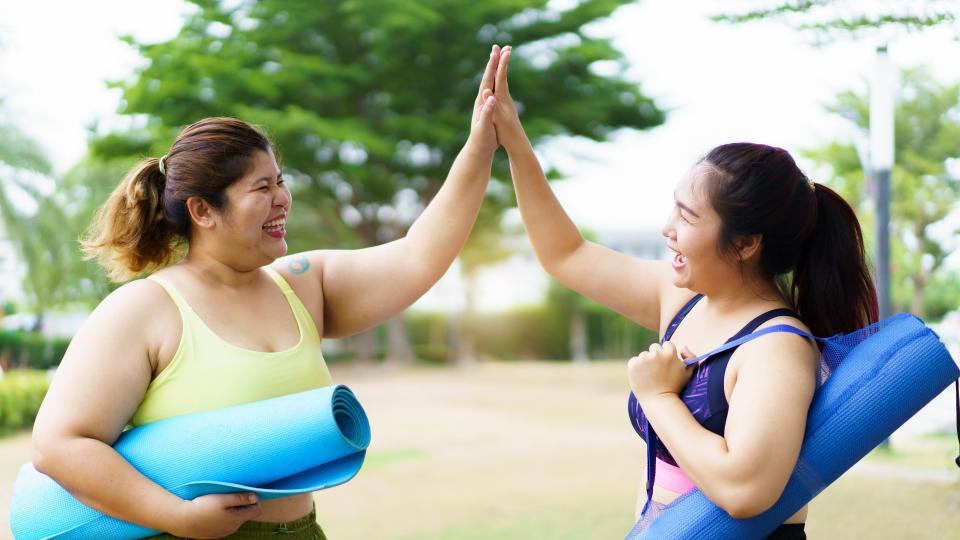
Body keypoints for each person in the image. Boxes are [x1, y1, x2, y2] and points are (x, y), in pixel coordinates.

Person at [30, 47, 504, 539]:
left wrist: (480, 145)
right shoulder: (145, 309)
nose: (283, 199)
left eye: (281, 181)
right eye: (261, 188)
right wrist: (179, 517)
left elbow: (419, 256)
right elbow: (60, 445)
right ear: (203, 211)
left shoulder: (304, 283)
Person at [486, 45, 878, 539]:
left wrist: (657, 395)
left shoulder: (777, 347)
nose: (668, 228)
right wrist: (515, 144)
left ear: (746, 243)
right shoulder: (682, 299)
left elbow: (745, 491)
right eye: (674, 208)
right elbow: (566, 255)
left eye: (688, 217)